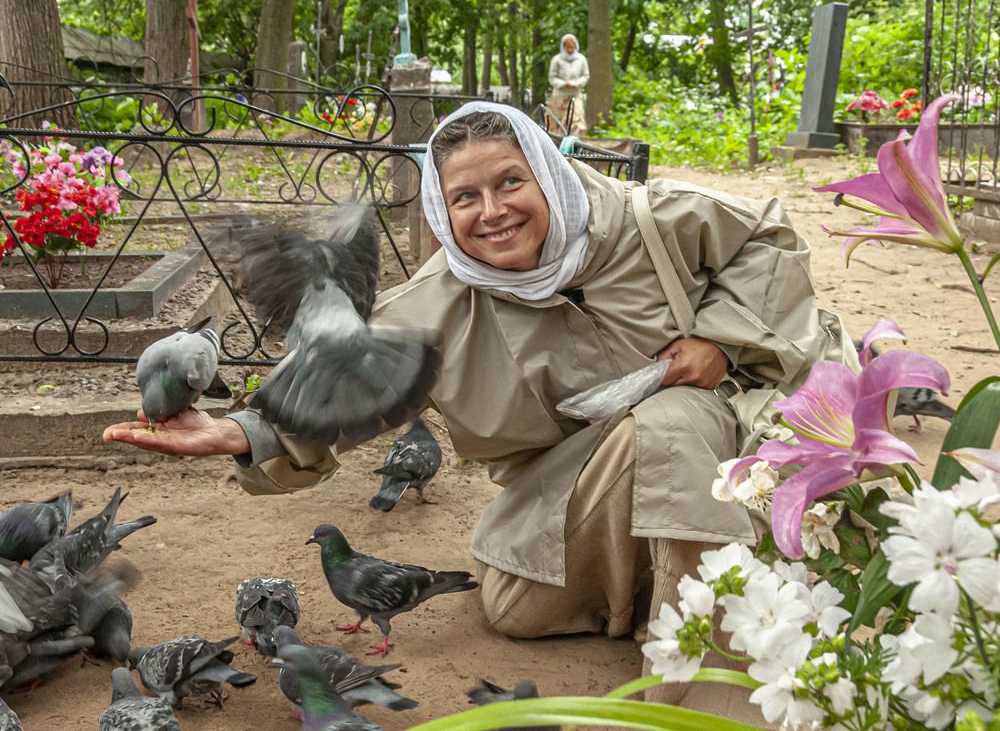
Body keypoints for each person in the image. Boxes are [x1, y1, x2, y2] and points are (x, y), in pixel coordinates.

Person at [104, 101, 822, 723]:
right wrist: (239, 432)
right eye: (464, 197)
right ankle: (651, 582)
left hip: (720, 453)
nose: (493, 210)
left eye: (511, 181)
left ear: (547, 172)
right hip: (571, 488)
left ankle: (711, 698)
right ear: (441, 211)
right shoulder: (435, 300)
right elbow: (345, 379)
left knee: (672, 416)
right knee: (517, 609)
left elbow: (771, 237)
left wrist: (720, 342)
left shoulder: (652, 219)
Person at [546, 33, 589, 136]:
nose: (570, 49)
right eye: (567, 47)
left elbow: (585, 76)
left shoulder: (581, 59)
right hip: (559, 95)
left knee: (576, 121)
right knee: (556, 123)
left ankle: (575, 142)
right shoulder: (557, 60)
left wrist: (576, 83)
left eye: (572, 47)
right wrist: (563, 83)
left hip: (575, 94)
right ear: (563, 47)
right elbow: (552, 77)